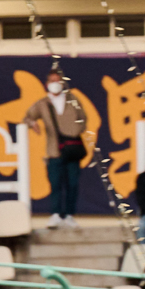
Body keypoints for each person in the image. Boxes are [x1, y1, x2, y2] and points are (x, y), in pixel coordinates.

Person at [25, 68, 89, 228]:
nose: (55, 84)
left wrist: (75, 131)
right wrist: (33, 123)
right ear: (47, 84)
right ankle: (55, 214)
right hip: (54, 150)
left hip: (72, 149)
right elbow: (27, 117)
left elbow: (83, 118)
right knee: (55, 183)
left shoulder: (72, 99)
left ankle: (69, 215)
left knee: (72, 184)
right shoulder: (43, 103)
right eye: (52, 81)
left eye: (58, 80)